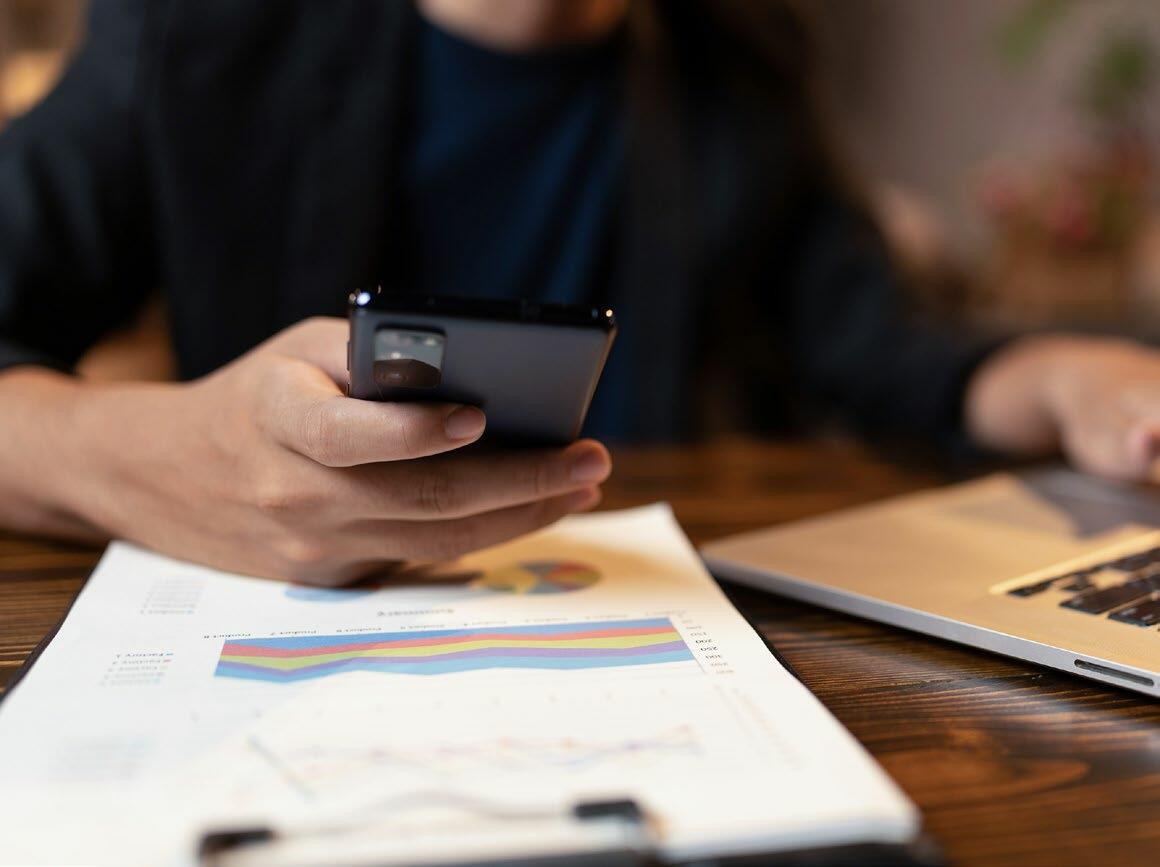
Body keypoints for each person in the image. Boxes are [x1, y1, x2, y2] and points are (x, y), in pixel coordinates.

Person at [1, 0, 1159, 585]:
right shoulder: (201, 32)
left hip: (630, 625)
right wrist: (145, 454)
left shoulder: (737, 48)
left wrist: (1063, 377)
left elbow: (871, 340)